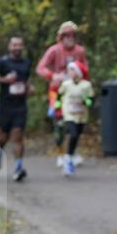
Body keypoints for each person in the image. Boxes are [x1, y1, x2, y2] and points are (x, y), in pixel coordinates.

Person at [36, 21, 88, 167]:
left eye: (73, 35)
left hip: (75, 92)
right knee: (59, 122)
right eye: (67, 35)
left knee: (77, 121)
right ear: (61, 37)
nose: (70, 38)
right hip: (57, 91)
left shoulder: (80, 51)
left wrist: (83, 84)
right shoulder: (54, 50)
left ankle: (72, 152)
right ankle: (60, 152)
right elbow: (40, 68)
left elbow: (86, 69)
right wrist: (52, 75)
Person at [0, 37, 34, 181]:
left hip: (20, 106)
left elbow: (27, 79)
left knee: (18, 136)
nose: (17, 47)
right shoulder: (2, 62)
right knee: (4, 137)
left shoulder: (26, 62)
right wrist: (4, 80)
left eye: (20, 45)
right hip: (5, 106)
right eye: (14, 45)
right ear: (9, 47)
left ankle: (18, 167)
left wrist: (29, 87)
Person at [54, 61, 93, 177]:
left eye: (73, 70)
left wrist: (85, 101)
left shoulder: (86, 85)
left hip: (81, 115)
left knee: (77, 136)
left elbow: (91, 100)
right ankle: (67, 158)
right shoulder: (66, 84)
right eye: (69, 70)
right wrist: (57, 108)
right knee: (73, 134)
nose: (71, 73)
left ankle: (69, 156)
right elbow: (59, 96)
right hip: (68, 114)